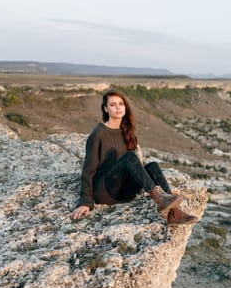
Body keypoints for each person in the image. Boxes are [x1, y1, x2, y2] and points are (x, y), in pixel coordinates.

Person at [71, 89, 197, 225]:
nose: (118, 107)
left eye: (121, 104)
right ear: (105, 109)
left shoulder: (126, 131)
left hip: (124, 191)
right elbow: (88, 171)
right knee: (130, 157)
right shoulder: (98, 134)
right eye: (113, 105)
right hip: (105, 191)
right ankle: (160, 198)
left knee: (152, 166)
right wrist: (85, 202)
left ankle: (174, 213)